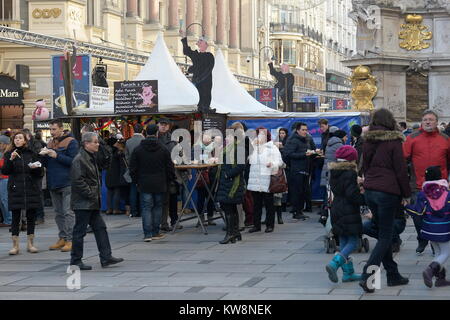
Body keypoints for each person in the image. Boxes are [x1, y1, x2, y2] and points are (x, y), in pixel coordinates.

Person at [359, 108, 411, 293]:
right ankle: (367, 275)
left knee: (383, 233)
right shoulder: (394, 140)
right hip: (388, 192)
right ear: (390, 121)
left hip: (371, 190)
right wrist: (406, 194)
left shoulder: (368, 140)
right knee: (385, 236)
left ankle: (393, 274)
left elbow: (364, 166)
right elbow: (400, 170)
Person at [69, 132, 124, 270]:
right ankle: (76, 260)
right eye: (95, 142)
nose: (98, 144)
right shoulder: (80, 159)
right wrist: (91, 195)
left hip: (91, 202)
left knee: (100, 228)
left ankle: (106, 257)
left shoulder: (90, 157)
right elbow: (78, 181)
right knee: (79, 231)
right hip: (83, 202)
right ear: (86, 143)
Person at [403, 110, 450, 255]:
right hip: (419, 184)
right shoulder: (412, 138)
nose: (428, 122)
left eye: (431, 119)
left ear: (437, 122)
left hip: (440, 186)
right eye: (425, 120)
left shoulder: (445, 139)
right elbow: (404, 159)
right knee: (418, 215)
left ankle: (434, 241)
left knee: (438, 215)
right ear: (422, 122)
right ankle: (422, 238)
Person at [129, 124, 176, 242]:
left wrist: (136, 181)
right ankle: (155, 232)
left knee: (146, 207)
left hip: (144, 182)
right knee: (158, 207)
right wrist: (169, 179)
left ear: (145, 133)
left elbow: (133, 168)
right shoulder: (163, 149)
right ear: (156, 133)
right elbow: (170, 167)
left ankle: (147, 234)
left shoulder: (138, 150)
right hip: (160, 182)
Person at [325, 145, 365, 283]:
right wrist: (363, 199)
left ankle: (348, 273)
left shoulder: (334, 171)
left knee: (343, 240)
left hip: (336, 207)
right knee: (353, 241)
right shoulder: (350, 173)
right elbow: (351, 194)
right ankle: (334, 263)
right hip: (348, 209)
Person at [406, 166, 450, 288]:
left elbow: (418, 212)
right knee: (446, 253)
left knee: (437, 253)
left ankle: (440, 279)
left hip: (429, 229)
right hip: (444, 230)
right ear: (440, 177)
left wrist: (406, 206)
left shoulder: (423, 194)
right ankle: (430, 271)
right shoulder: (447, 194)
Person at [1, 131, 43, 255]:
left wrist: (36, 168)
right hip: (16, 188)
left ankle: (31, 244)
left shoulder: (31, 153)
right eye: (15, 138)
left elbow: (39, 173)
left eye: (20, 138)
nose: (17, 140)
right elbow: (5, 171)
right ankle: (15, 245)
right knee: (15, 217)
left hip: (31, 187)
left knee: (31, 216)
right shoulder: (9, 153)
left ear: (25, 140)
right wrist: (10, 159)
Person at [41, 119, 79, 252]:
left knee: (68, 212)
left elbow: (74, 161)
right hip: (53, 182)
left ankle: (70, 239)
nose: (52, 132)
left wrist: (56, 155)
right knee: (58, 213)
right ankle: (62, 237)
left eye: (54, 129)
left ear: (61, 129)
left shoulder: (71, 142)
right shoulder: (50, 142)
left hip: (67, 181)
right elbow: (47, 163)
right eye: (50, 129)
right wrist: (42, 156)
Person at [247, 127, 284, 233]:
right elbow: (248, 159)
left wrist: (272, 164)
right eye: (258, 134)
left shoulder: (272, 148)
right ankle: (256, 225)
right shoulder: (253, 147)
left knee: (269, 204)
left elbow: (280, 162)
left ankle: (270, 225)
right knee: (256, 204)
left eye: (262, 135)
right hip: (255, 180)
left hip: (267, 179)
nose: (260, 137)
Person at [216, 128, 246, 244]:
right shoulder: (227, 148)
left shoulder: (238, 148)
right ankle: (235, 233)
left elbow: (240, 166)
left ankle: (230, 233)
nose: (226, 138)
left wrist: (228, 175)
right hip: (226, 182)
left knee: (228, 208)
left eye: (228, 136)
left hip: (233, 183)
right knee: (231, 207)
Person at [283, 122, 316, 220]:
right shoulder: (293, 140)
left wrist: (314, 153)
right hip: (296, 170)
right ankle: (296, 212)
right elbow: (287, 154)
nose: (305, 131)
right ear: (297, 130)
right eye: (303, 130)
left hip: (306, 169)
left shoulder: (306, 139)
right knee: (296, 192)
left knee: (303, 191)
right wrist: (304, 155)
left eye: (306, 130)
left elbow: (307, 152)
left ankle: (300, 211)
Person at [181, 33, 215, 113]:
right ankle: (199, 108)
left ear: (206, 44)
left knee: (205, 95)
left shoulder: (209, 56)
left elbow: (209, 69)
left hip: (206, 81)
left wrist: (200, 78)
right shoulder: (196, 55)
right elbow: (186, 51)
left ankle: (206, 108)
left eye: (201, 40)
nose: (199, 42)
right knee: (197, 96)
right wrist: (184, 38)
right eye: (199, 40)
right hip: (197, 81)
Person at [157, 118, 181, 232]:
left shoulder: (173, 140)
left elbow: (179, 155)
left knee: (172, 197)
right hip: (158, 173)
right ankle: (162, 222)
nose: (163, 127)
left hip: (170, 173)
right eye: (162, 124)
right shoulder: (153, 138)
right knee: (161, 200)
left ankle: (174, 220)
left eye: (165, 125)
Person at [23, 128, 45, 225]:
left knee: (38, 194)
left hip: (36, 172)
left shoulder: (36, 143)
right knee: (30, 195)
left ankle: (40, 216)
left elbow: (38, 155)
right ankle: (32, 217)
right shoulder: (26, 144)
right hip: (27, 172)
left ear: (28, 136)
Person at [125, 123, 145, 218]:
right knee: (142, 190)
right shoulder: (144, 141)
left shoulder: (128, 142)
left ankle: (134, 211)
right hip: (143, 168)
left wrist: (131, 164)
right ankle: (142, 210)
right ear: (142, 130)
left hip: (132, 168)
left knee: (132, 190)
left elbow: (127, 156)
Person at [105, 139, 129, 215]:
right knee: (117, 191)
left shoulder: (107, 151)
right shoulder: (118, 152)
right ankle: (116, 209)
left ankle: (109, 209)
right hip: (116, 173)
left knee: (109, 192)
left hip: (108, 173)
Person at [320, 128, 347, 192]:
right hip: (333, 173)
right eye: (346, 136)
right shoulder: (339, 145)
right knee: (332, 195)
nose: (347, 139)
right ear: (341, 137)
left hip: (328, 171)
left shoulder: (331, 143)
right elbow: (342, 161)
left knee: (328, 193)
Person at [273, 128, 289, 224]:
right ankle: (278, 218)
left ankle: (279, 217)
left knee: (277, 197)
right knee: (275, 198)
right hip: (275, 176)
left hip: (277, 176)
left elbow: (283, 164)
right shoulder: (274, 148)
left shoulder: (280, 148)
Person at [0, 135, 12, 227]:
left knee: (5, 200)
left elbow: (5, 165)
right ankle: (6, 219)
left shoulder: (9, 153)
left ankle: (9, 220)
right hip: (2, 178)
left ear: (5, 144)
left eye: (0, 143)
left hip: (6, 178)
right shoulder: (2, 153)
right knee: (2, 200)